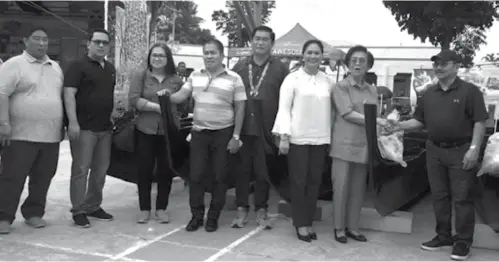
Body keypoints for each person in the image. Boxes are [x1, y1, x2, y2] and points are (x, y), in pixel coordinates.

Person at [388, 50, 488, 261]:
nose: (438, 67)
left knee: (462, 198)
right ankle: (443, 236)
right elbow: (419, 121)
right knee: (439, 196)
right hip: (434, 150)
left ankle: (462, 242)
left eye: (444, 64)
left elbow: (480, 121)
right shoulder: (429, 94)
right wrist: (397, 126)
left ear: (456, 66)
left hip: (461, 150)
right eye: (436, 64)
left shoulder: (470, 92)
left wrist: (474, 149)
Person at [167, 39, 246, 232]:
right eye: (206, 53)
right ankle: (196, 216)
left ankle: (213, 217)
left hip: (223, 132)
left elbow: (241, 108)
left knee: (220, 176)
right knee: (196, 176)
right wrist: (165, 95)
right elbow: (180, 96)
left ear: (221, 55)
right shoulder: (195, 76)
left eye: (213, 53)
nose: (208, 56)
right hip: (199, 133)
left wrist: (236, 137)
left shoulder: (234, 78)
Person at [0, 27, 64, 234]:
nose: (41, 43)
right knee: (12, 177)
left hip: (50, 135)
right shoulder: (14, 65)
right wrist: (4, 124)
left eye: (45, 39)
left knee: (43, 177)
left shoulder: (56, 67)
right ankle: (4, 217)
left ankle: (34, 212)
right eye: (36, 39)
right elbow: (2, 94)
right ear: (25, 41)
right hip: (20, 134)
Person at [272, 40, 333, 242]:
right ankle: (300, 224)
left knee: (315, 182)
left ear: (322, 56)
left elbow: (332, 110)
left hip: (321, 138)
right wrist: (284, 136)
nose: (313, 56)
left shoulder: (327, 80)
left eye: (317, 53)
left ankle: (308, 220)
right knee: (299, 182)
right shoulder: (292, 79)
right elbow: (284, 109)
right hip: (297, 138)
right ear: (303, 55)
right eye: (309, 52)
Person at [230, 25, 289, 229]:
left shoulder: (281, 69)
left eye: (265, 39)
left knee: (263, 172)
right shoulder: (239, 67)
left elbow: (286, 101)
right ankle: (241, 210)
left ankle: (261, 210)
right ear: (252, 42)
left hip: (267, 129)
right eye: (257, 39)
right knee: (242, 171)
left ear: (272, 44)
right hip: (243, 127)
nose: (261, 42)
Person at [330, 45, 388, 244]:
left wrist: (383, 127)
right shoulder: (340, 87)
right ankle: (339, 228)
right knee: (341, 188)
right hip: (343, 146)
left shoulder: (372, 89)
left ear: (368, 65)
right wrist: (376, 121)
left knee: (358, 190)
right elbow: (346, 113)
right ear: (347, 63)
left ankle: (353, 227)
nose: (357, 64)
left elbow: (377, 115)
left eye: (362, 61)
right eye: (354, 60)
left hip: (364, 146)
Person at [63, 28, 116, 228]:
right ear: (89, 44)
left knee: (100, 171)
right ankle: (78, 210)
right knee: (81, 170)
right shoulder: (77, 66)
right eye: (97, 42)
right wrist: (73, 122)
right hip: (84, 128)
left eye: (105, 42)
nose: (101, 45)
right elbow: (68, 94)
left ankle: (93, 205)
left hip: (105, 129)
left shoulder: (110, 68)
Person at [128, 43, 184, 224]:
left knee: (165, 171)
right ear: (149, 58)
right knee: (144, 169)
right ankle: (144, 209)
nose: (157, 58)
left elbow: (183, 104)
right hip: (145, 129)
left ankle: (161, 208)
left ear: (168, 59)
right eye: (154, 55)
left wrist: (173, 111)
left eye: (161, 55)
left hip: (168, 133)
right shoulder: (141, 76)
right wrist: (158, 107)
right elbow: (134, 99)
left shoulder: (176, 80)